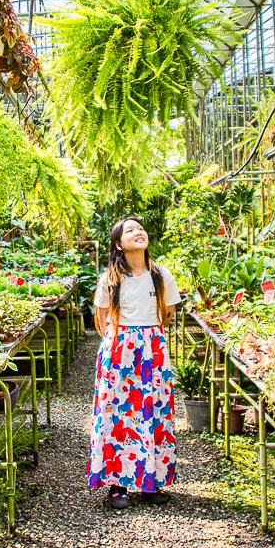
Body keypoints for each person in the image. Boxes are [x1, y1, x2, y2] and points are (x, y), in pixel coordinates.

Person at [87, 216, 182, 509]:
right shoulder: (109, 279)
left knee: (153, 410)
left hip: (153, 350)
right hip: (119, 352)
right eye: (130, 230)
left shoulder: (162, 275)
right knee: (117, 415)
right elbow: (102, 321)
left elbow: (167, 314)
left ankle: (149, 482)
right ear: (118, 243)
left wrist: (146, 336)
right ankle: (117, 486)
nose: (138, 232)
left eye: (141, 228)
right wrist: (124, 342)